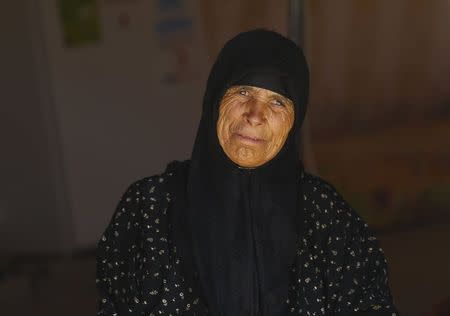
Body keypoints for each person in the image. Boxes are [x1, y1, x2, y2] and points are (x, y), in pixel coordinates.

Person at [96, 29, 399, 316]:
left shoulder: (326, 214)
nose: (255, 115)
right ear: (214, 100)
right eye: (243, 91)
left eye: (278, 101)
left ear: (296, 119)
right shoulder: (148, 208)